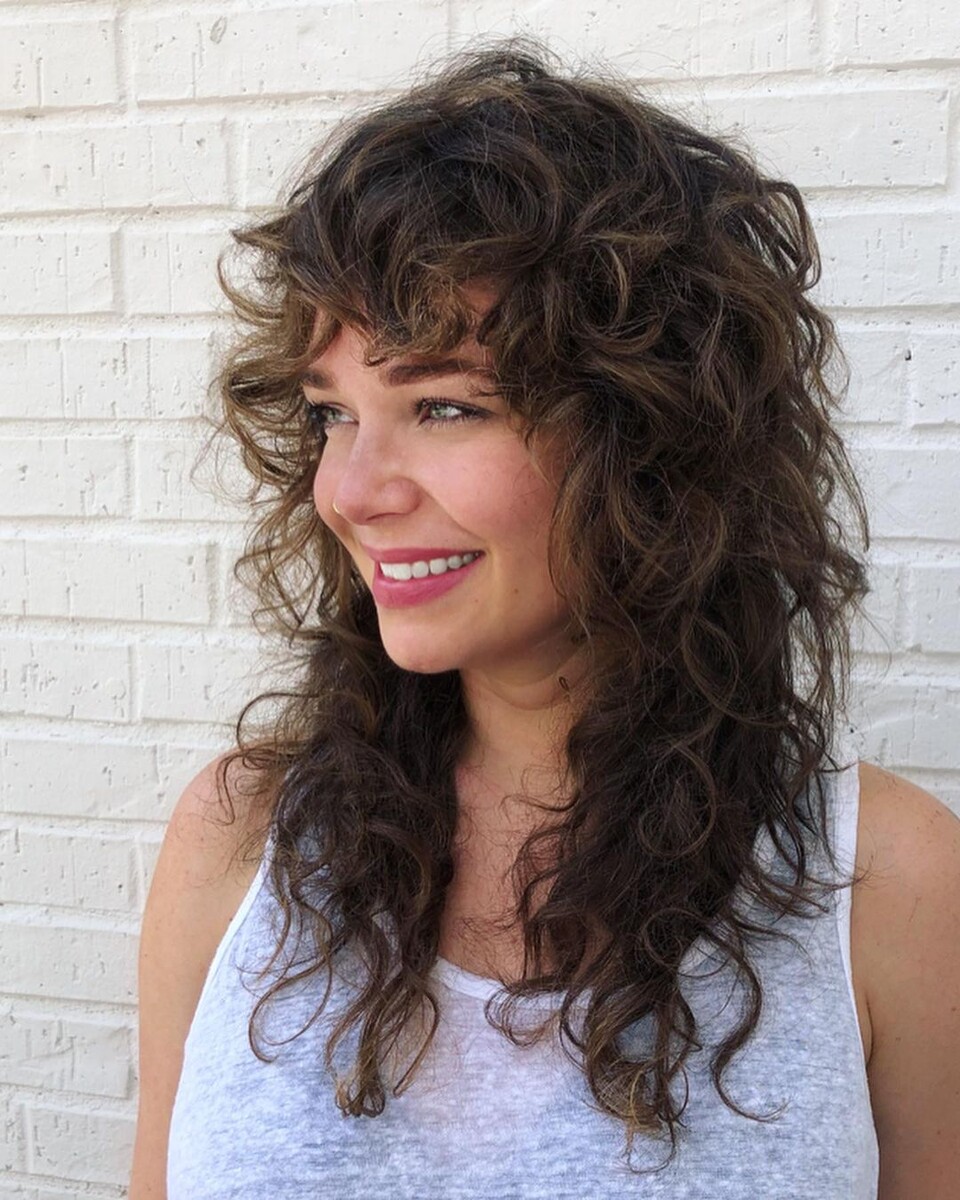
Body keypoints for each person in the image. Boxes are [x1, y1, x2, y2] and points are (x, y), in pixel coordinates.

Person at [129, 41, 960, 1199]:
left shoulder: (885, 885)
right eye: (331, 415)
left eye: (444, 406)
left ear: (651, 437)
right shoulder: (242, 841)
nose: (350, 491)